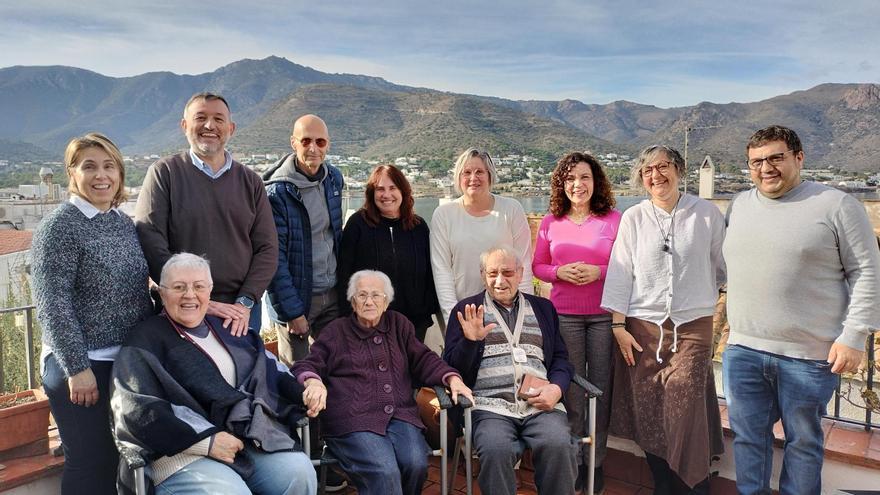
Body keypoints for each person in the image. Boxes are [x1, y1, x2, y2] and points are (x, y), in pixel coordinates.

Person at [722, 125, 880, 494]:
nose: (766, 168)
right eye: (756, 161)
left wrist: (853, 336)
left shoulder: (837, 205)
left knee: (804, 442)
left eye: (776, 158)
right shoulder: (739, 204)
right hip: (743, 350)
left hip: (809, 356)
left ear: (799, 158)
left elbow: (868, 271)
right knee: (748, 438)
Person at [111, 253, 317, 495]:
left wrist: (305, 387)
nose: (190, 294)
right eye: (179, 287)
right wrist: (207, 442)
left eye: (199, 286)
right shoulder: (145, 340)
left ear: (210, 291)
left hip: (244, 440)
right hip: (180, 453)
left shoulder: (227, 328)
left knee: (299, 473)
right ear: (162, 292)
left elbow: (268, 367)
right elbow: (136, 408)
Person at [31, 133, 154, 495]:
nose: (101, 175)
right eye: (89, 166)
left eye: (109, 166)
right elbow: (52, 303)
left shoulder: (120, 221)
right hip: (82, 365)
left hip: (123, 361)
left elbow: (134, 287)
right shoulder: (59, 226)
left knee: (125, 459)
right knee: (91, 463)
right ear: (72, 172)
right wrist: (77, 368)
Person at [601, 145, 725, 494]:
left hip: (692, 328)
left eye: (663, 167)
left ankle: (692, 485)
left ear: (679, 170)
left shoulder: (706, 214)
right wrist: (618, 326)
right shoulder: (635, 217)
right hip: (641, 329)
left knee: (683, 403)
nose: (656, 175)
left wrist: (702, 297)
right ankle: (663, 483)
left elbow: (723, 266)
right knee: (649, 409)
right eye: (648, 170)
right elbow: (621, 273)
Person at [291, 270, 472, 495]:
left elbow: (424, 359)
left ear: (386, 301)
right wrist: (313, 382)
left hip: (400, 415)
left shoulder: (398, 325)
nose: (369, 301)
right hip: (351, 419)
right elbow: (307, 365)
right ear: (352, 300)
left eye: (376, 295)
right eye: (362, 295)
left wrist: (451, 377)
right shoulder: (336, 332)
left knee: (415, 463)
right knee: (384, 472)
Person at [135, 92, 277, 336]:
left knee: (241, 373)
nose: (210, 125)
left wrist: (245, 302)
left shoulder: (251, 181)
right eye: (201, 117)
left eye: (218, 119)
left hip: (239, 312)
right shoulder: (165, 173)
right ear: (184, 125)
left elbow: (268, 248)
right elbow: (150, 239)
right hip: (182, 308)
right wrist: (193, 297)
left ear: (230, 128)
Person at [444, 246, 576, 495]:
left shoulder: (543, 308)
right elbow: (453, 369)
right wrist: (469, 342)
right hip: (488, 406)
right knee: (495, 449)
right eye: (492, 273)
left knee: (559, 444)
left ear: (520, 273)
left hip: (540, 404)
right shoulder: (466, 310)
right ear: (483, 275)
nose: (500, 280)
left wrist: (556, 389)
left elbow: (560, 358)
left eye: (507, 272)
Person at [531, 151, 621, 493]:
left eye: (584, 177)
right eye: (570, 179)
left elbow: (629, 267)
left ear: (595, 181)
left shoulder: (614, 220)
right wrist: (559, 272)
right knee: (569, 392)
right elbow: (538, 267)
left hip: (603, 317)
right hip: (564, 317)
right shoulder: (551, 222)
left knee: (600, 391)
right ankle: (572, 462)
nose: (577, 184)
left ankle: (595, 465)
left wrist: (599, 271)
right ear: (561, 184)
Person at [263, 114, 344, 365]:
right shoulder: (277, 193)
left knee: (337, 370)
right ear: (293, 143)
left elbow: (335, 236)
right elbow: (274, 258)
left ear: (328, 144)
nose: (313, 148)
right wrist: (292, 312)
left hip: (331, 296)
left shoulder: (334, 179)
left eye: (320, 142)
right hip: (297, 300)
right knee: (298, 378)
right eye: (306, 140)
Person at [337, 164, 439, 341]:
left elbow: (429, 272)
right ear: (372, 193)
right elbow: (344, 272)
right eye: (380, 189)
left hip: (413, 324)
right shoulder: (357, 225)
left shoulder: (418, 226)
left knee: (410, 368)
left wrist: (426, 311)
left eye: (393, 188)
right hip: (370, 323)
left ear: (403, 191)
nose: (386, 195)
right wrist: (350, 316)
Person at [430, 148, 533, 324]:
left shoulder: (511, 209)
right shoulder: (444, 214)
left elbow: (523, 263)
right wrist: (453, 317)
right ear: (458, 178)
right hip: (464, 312)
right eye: (467, 172)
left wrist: (525, 313)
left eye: (479, 172)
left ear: (490, 176)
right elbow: (442, 270)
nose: (473, 178)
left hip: (508, 311)